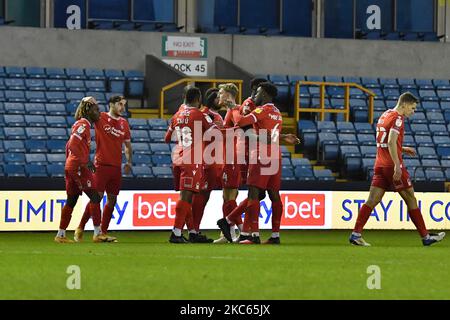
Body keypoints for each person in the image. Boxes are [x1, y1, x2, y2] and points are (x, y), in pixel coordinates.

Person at [349, 92, 446, 246]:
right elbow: (391, 141)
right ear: (404, 104)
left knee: (372, 200)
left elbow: (383, 141)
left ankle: (356, 234)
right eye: (412, 108)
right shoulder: (398, 119)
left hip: (379, 165)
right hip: (391, 165)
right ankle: (426, 237)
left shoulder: (385, 114)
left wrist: (402, 147)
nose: (413, 112)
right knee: (411, 198)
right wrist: (397, 166)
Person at [218, 82, 298, 244]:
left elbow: (241, 122)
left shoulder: (261, 109)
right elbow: (269, 136)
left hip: (260, 155)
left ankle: (253, 234)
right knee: (274, 195)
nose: (254, 95)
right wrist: (283, 138)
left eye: (258, 92)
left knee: (254, 194)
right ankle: (275, 235)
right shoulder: (277, 112)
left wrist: (234, 108)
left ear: (266, 94)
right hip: (275, 155)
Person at [75, 95, 132, 243]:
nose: (122, 108)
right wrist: (87, 101)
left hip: (116, 167)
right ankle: (81, 227)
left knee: (112, 200)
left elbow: (127, 146)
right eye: (120, 104)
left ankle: (103, 232)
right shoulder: (99, 117)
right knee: (97, 197)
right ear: (111, 104)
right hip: (101, 165)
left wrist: (129, 161)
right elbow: (83, 115)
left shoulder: (124, 124)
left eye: (124, 105)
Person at [165, 86, 216, 243]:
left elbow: (167, 138)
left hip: (178, 158)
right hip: (191, 159)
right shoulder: (200, 115)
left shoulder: (176, 115)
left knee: (185, 197)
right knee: (186, 197)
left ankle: (192, 232)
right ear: (198, 99)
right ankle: (176, 233)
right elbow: (216, 134)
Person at [54, 97, 102, 243]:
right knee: (95, 197)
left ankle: (60, 235)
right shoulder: (83, 124)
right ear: (88, 110)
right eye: (96, 109)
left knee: (72, 200)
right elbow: (74, 144)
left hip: (72, 165)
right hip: (78, 166)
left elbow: (69, 145)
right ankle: (97, 233)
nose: (98, 112)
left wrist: (69, 163)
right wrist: (85, 161)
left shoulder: (80, 124)